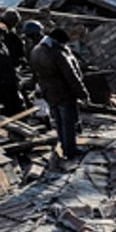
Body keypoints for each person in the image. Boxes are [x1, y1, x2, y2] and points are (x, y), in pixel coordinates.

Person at [28, 28, 87, 158]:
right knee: (68, 122)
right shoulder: (58, 54)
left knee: (59, 121)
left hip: (49, 92)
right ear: (59, 41)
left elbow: (35, 75)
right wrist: (82, 93)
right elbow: (71, 76)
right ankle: (70, 149)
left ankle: (63, 144)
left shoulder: (35, 51)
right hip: (64, 92)